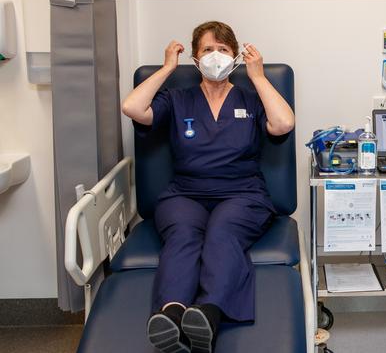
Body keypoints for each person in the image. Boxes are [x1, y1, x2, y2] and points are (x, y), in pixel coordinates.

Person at [121, 21, 294, 353]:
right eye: (208, 50)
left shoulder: (251, 98)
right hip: (184, 193)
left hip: (242, 193)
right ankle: (171, 314)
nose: (216, 56)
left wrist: (258, 77)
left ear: (236, 58)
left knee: (223, 229)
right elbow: (132, 107)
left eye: (224, 50)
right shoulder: (177, 98)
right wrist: (167, 67)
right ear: (196, 59)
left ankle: (207, 316)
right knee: (183, 233)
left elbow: (283, 123)